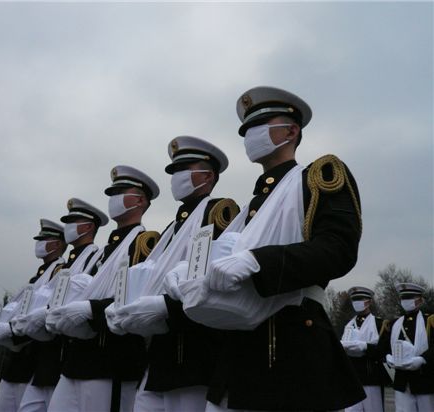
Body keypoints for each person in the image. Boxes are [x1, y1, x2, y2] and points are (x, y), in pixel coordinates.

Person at [202, 86, 365, 411]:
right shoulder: (251, 205)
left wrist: (258, 261)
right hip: (238, 353)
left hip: (290, 345)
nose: (249, 136)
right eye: (245, 130)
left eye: (258, 126)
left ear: (291, 131)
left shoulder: (318, 178)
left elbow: (338, 249)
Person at [111, 136, 238, 412]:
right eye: (174, 171)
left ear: (207, 175)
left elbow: (217, 280)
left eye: (183, 169)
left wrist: (165, 307)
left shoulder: (219, 213)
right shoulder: (172, 228)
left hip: (196, 355)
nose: (175, 177)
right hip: (160, 355)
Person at [47, 165, 160, 412]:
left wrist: (90, 309)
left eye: (120, 192)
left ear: (140, 201)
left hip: (113, 359)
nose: (113, 198)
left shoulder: (146, 243)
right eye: (112, 193)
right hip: (78, 359)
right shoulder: (103, 253)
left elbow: (139, 297)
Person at [14, 198, 108, 412]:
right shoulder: (67, 266)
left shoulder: (97, 257)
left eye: (73, 222)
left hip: (74, 352)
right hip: (53, 357)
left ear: (88, 227)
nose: (68, 227)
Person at [0, 219, 67, 412]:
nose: (39, 244)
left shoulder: (60, 272)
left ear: (57, 244)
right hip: (18, 360)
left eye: (44, 239)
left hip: (35, 357)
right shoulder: (38, 276)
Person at [379, 282, 434, 411]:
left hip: (424, 380)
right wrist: (388, 357)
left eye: (409, 297)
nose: (405, 301)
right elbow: (382, 348)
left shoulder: (429, 321)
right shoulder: (393, 324)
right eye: (403, 298)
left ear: (420, 300)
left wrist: (423, 359)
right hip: (402, 382)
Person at [341, 286, 391, 411]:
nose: (356, 303)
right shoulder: (349, 325)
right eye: (354, 300)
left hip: (371, 377)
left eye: (360, 299)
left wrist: (365, 347)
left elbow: (382, 351)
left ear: (369, 302)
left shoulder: (379, 324)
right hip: (353, 378)